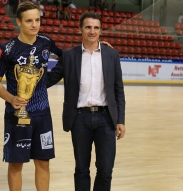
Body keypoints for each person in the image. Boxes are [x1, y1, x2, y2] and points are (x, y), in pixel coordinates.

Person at [46, 12, 126, 191]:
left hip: (106, 119)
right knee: (81, 169)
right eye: (88, 27)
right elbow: (48, 80)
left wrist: (120, 120)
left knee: (105, 170)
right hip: (79, 119)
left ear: (101, 30)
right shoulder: (69, 56)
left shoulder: (112, 54)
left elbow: (118, 90)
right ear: (80, 29)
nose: (92, 31)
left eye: (96, 27)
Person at [0, 1, 62, 190]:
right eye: (29, 20)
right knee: (15, 164)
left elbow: (69, 58)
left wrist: (47, 81)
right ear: (19, 22)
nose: (34, 25)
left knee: (43, 162)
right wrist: (11, 98)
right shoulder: (7, 49)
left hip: (42, 114)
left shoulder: (46, 42)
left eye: (37, 20)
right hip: (17, 115)